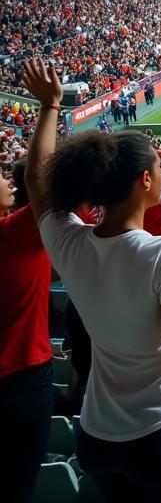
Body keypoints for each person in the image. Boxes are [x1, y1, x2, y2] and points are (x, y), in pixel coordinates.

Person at [21, 58, 161, 503]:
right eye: (159, 169)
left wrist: (49, 109)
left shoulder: (70, 244)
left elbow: (38, 187)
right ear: (145, 180)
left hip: (98, 436)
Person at [1, 154, 54, 503]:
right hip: (22, 383)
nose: (7, 179)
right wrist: (51, 106)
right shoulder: (15, 233)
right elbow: (43, 186)